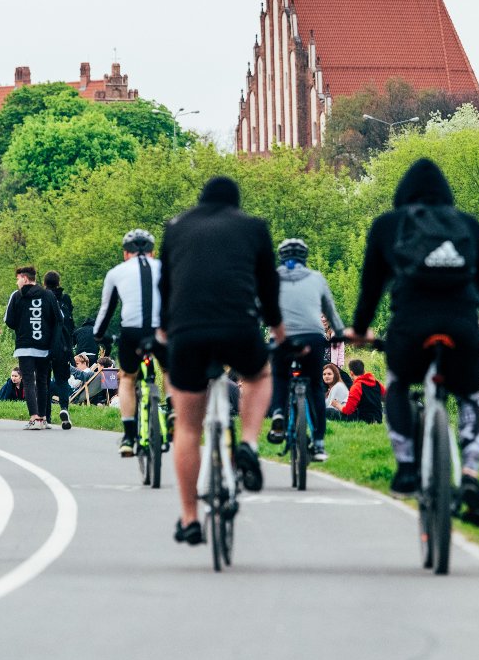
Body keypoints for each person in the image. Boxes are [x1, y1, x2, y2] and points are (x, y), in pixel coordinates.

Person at [350, 159, 479, 526]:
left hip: (410, 327)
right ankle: (469, 475)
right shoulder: (467, 225)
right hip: (462, 326)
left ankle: (407, 466)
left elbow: (371, 287)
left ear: (402, 194)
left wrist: (359, 329)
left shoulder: (388, 226)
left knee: (398, 386)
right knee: (471, 397)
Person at [158, 176, 282, 545]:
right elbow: (268, 286)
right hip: (238, 328)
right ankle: (248, 443)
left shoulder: (176, 228)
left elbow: (166, 285)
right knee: (259, 375)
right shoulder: (253, 227)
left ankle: (190, 517)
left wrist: (165, 332)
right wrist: (277, 329)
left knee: (187, 429)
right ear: (235, 204)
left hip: (187, 332)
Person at [267, 238, 344, 462]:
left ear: (282, 257)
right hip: (313, 336)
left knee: (280, 377)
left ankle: (279, 414)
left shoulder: (272, 277)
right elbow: (330, 310)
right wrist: (338, 333)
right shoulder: (316, 278)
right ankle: (318, 443)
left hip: (282, 336)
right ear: (304, 257)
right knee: (316, 387)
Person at [95, 229, 164, 456]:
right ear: (152, 253)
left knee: (127, 378)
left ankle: (128, 435)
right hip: (161, 330)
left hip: (132, 333)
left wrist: (98, 335)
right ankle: (172, 409)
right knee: (171, 369)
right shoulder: (165, 268)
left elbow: (106, 311)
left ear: (126, 254)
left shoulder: (116, 273)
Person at [4, 267, 58, 429]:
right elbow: (57, 319)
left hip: (25, 346)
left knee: (28, 381)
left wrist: (23, 325)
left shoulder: (16, 295)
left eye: (18, 278)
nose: (17, 282)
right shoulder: (48, 295)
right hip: (44, 347)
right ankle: (42, 418)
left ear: (25, 279)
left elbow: (9, 321)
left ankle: (33, 418)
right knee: (42, 381)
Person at [42, 271, 78, 430]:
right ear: (58, 283)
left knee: (45, 381)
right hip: (63, 346)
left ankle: (47, 417)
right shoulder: (66, 299)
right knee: (62, 380)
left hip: (46, 345)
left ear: (44, 283)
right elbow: (71, 324)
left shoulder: (42, 298)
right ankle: (64, 408)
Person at [340, 357, 384, 423]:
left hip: (365, 420)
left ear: (351, 373)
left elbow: (348, 411)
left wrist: (337, 405)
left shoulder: (357, 386)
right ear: (364, 371)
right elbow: (386, 397)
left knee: (334, 412)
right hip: (378, 419)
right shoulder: (377, 383)